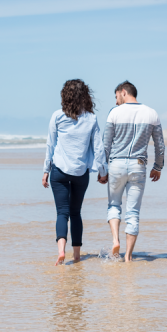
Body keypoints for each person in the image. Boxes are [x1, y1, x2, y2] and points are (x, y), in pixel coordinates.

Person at [43, 79, 108, 266]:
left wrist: (45, 170)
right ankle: (77, 255)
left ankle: (61, 251)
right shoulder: (91, 118)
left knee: (62, 213)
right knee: (76, 212)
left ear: (65, 96)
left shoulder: (57, 116)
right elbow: (98, 148)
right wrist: (102, 171)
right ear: (85, 96)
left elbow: (50, 145)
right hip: (81, 173)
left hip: (59, 171)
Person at [102, 81, 165, 262]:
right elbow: (160, 145)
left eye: (116, 97)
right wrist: (158, 167)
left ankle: (115, 240)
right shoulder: (151, 113)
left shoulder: (114, 113)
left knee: (114, 205)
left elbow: (106, 145)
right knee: (133, 213)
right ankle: (128, 257)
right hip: (138, 165)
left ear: (123, 92)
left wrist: (102, 170)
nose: (116, 102)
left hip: (116, 165)